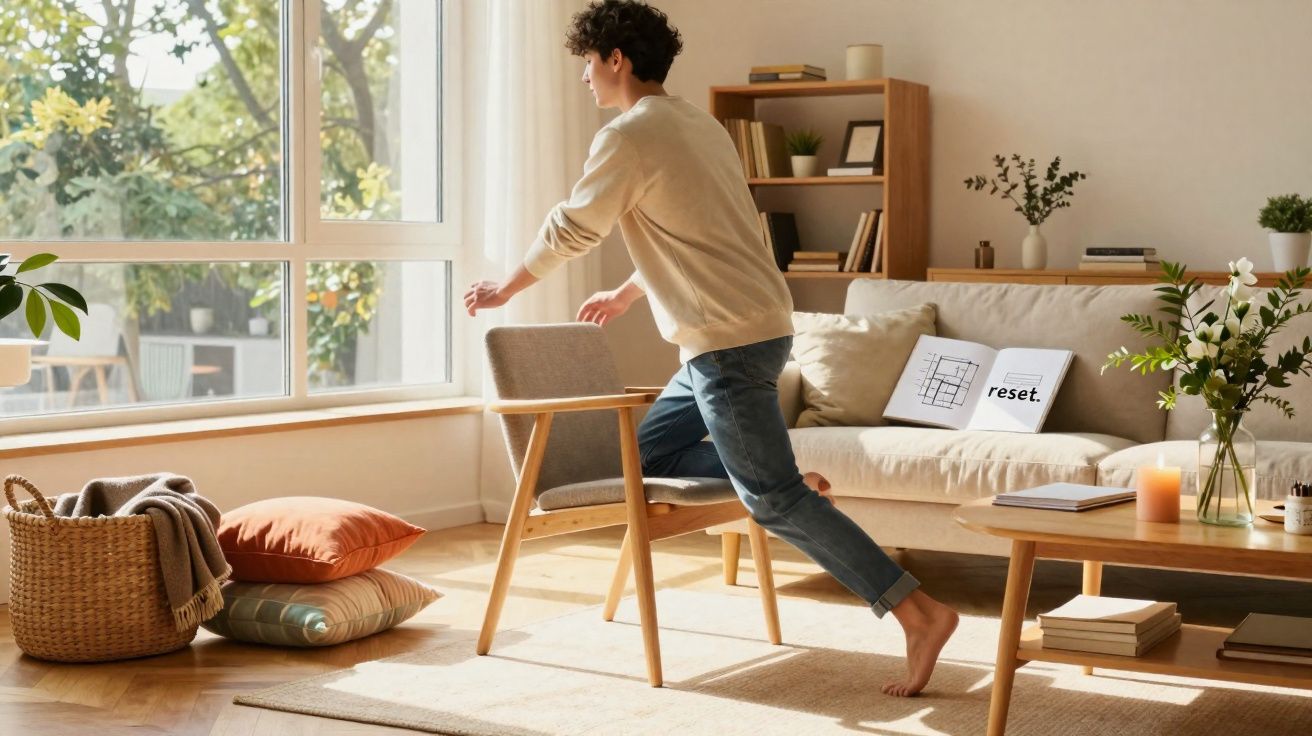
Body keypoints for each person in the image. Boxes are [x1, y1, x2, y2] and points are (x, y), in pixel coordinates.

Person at [463, 0, 957, 697]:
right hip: (742, 332)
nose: (583, 77)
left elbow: (573, 229)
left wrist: (508, 287)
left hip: (725, 344)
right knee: (648, 454)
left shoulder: (628, 137)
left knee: (774, 502)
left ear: (617, 59)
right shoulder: (701, 126)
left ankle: (917, 611)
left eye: (588, 60)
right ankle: (772, 477)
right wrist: (631, 294)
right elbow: (703, 231)